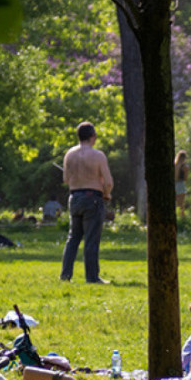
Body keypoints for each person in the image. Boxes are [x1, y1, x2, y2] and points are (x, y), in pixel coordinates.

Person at [60, 121, 113, 284]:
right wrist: (107, 194)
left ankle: (65, 275)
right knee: (91, 239)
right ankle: (92, 277)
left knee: (73, 238)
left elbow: (66, 179)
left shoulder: (69, 154)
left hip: (74, 197)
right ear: (93, 136)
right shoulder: (98, 155)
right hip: (93, 198)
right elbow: (109, 182)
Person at [174, 150, 189, 217]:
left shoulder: (174, 165)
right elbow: (185, 179)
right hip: (180, 184)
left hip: (173, 184)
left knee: (175, 204)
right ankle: (182, 219)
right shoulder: (185, 167)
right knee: (181, 205)